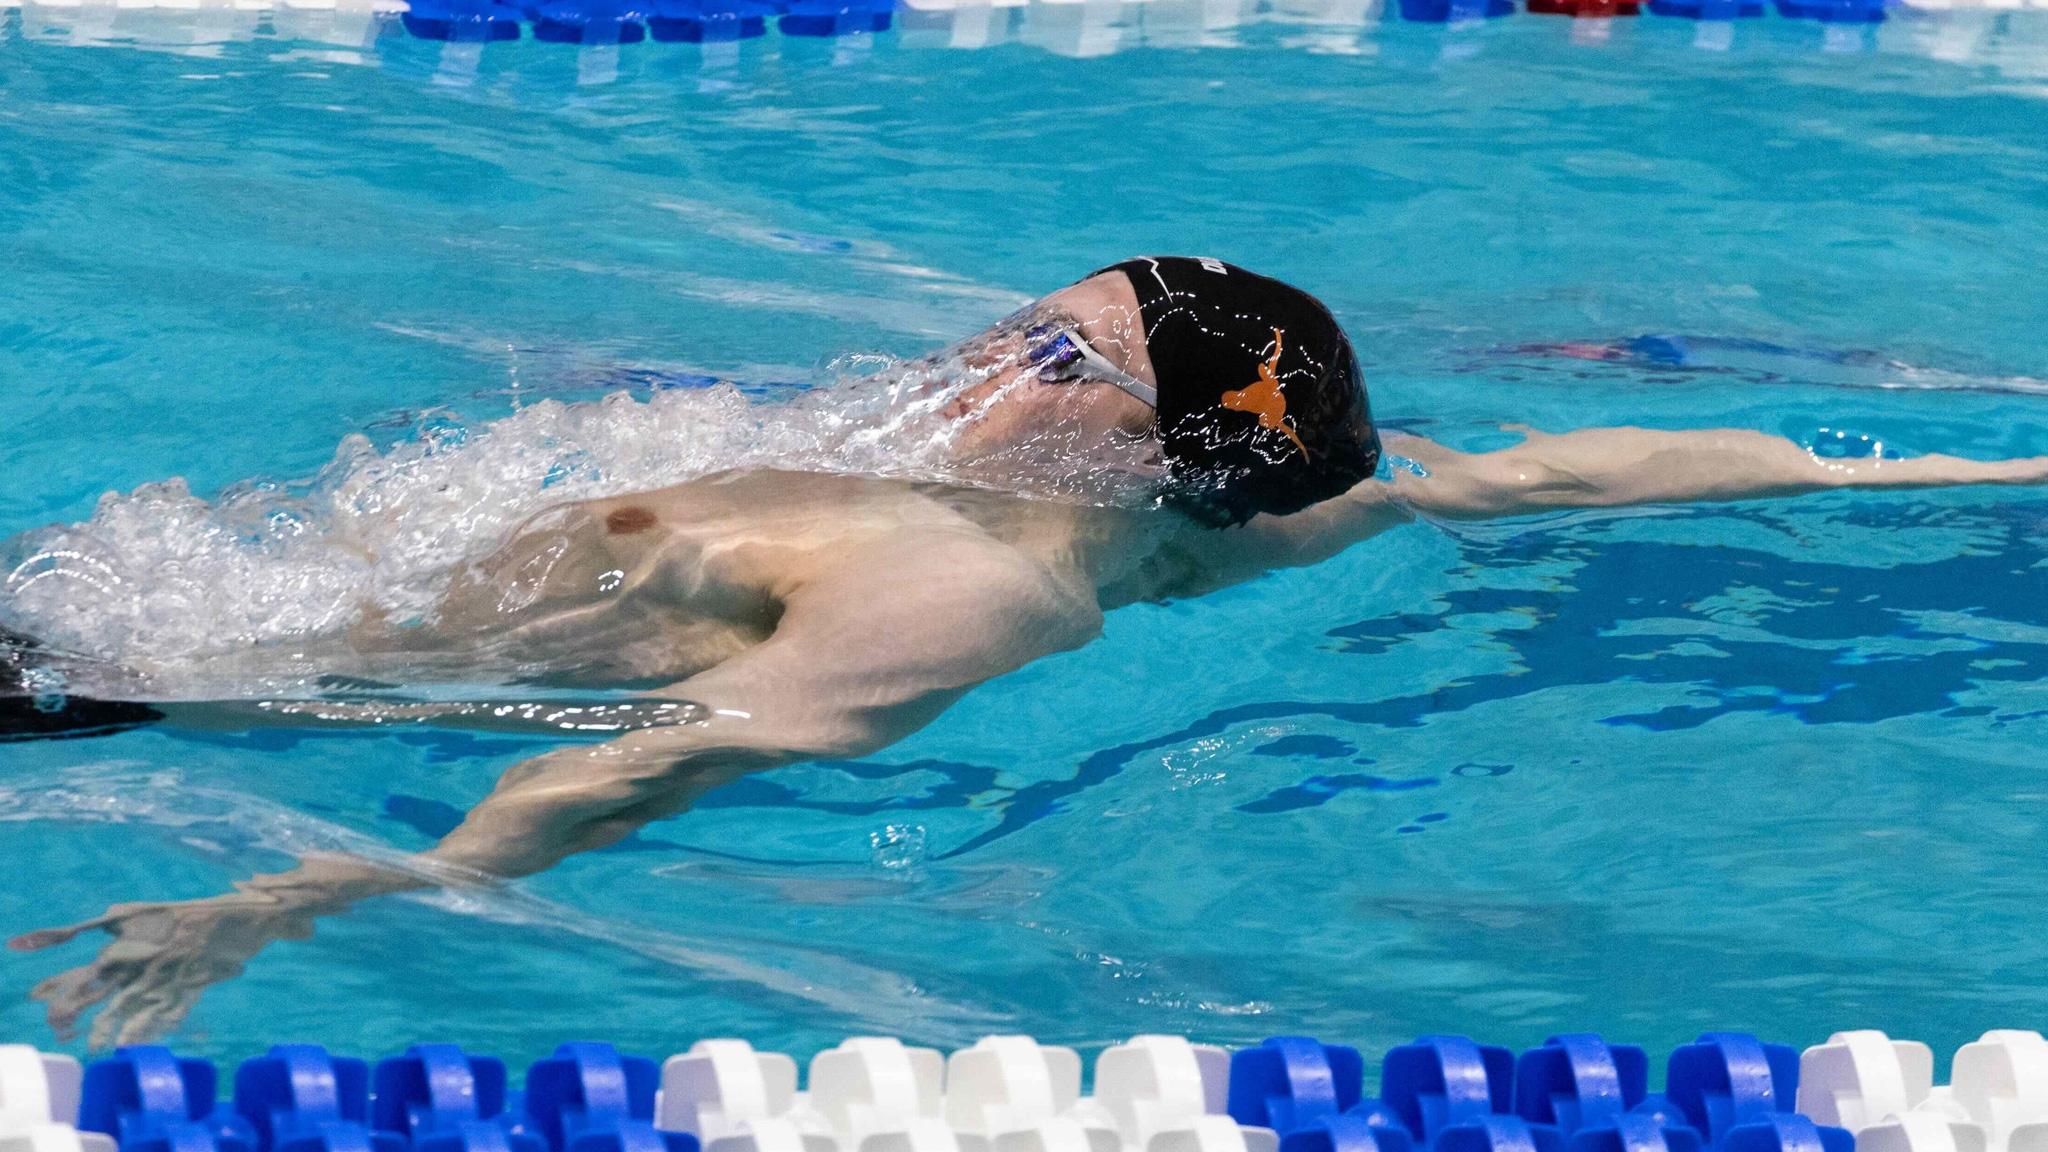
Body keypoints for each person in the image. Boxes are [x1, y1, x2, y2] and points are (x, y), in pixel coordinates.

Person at [9, 256, 2048, 1048]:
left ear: (1131, 438)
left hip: (123, 677)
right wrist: (1952, 467)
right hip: (191, 588)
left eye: (1056, 354)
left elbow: (633, 767)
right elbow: (1546, 476)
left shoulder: (975, 594)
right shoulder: (1243, 509)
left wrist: (303, 894)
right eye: (1035, 317)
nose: (1000, 354)